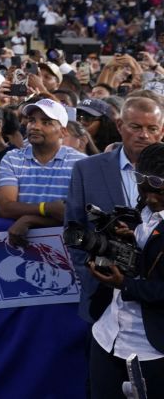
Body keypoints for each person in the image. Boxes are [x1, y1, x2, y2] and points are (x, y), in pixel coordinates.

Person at [68, 95, 164, 323]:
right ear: (120, 126)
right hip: (102, 299)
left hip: (157, 304)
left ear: (161, 131)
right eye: (136, 127)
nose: (144, 135)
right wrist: (93, 276)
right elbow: (73, 229)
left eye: (152, 128)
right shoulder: (86, 169)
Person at [86, 141, 164, 397]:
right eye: (143, 186)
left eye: (160, 192)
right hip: (107, 336)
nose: (151, 198)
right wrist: (129, 239)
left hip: (152, 349)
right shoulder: (144, 208)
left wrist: (125, 285)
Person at [0, 98, 86, 246]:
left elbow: (75, 215)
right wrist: (46, 208)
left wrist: (30, 219)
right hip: (18, 244)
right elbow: (6, 208)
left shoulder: (80, 163)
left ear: (63, 132)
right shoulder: (12, 158)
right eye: (32, 120)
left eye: (46, 122)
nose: (35, 127)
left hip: (65, 248)